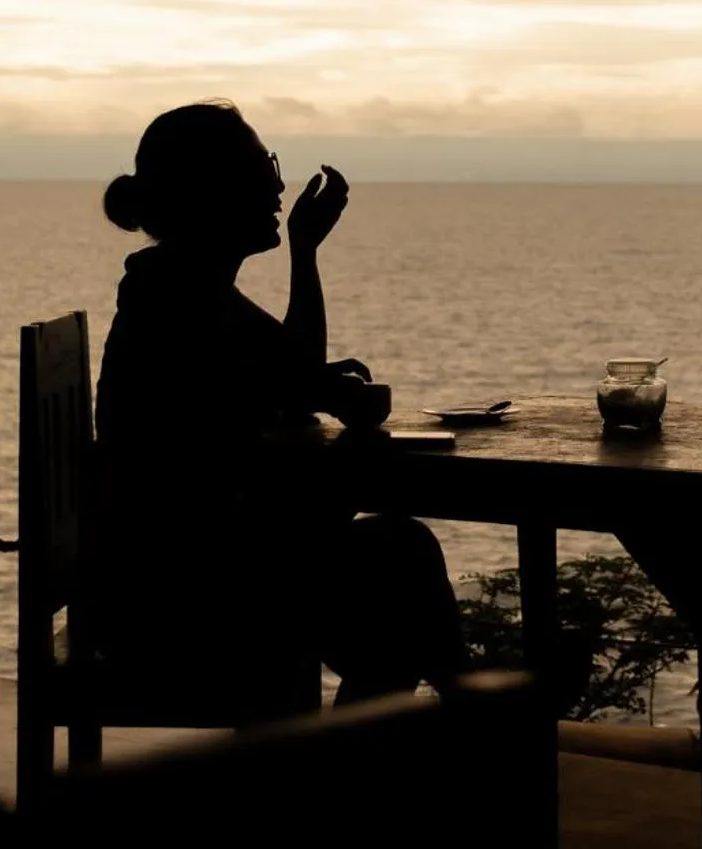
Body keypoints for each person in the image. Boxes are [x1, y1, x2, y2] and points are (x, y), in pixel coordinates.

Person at [91, 101, 466, 713]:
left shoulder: (182, 283)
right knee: (401, 565)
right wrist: (317, 381)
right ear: (210, 191)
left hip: (187, 568)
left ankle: (434, 727)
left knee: (398, 567)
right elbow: (295, 379)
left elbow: (293, 370)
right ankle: (471, 719)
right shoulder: (176, 299)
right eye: (261, 167)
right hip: (179, 594)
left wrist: (305, 257)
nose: (278, 186)